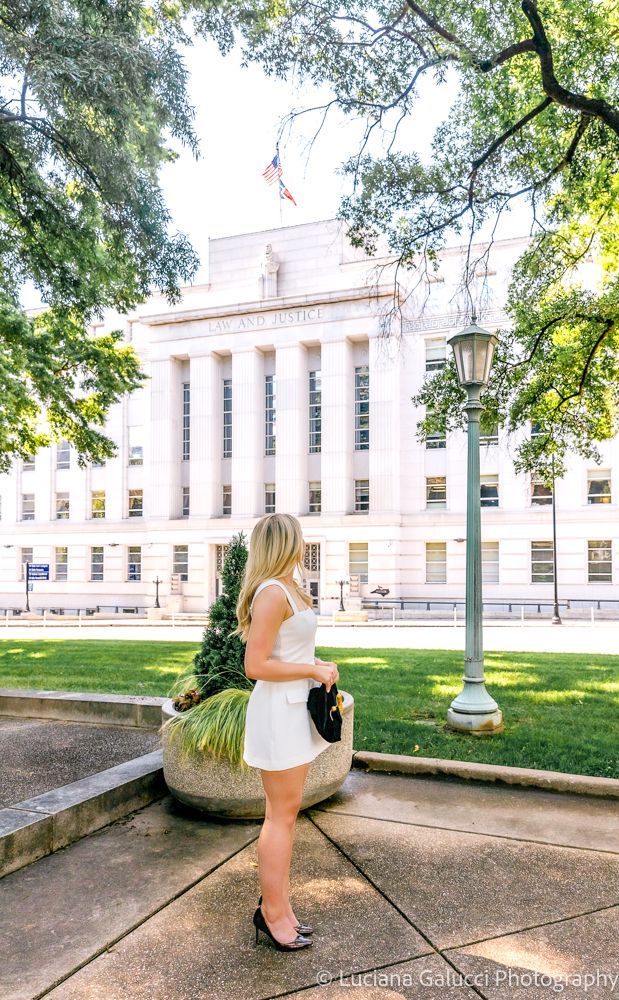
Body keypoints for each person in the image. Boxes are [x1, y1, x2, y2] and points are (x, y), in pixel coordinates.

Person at [233, 513, 339, 951]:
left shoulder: (288, 587)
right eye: (298, 538)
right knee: (280, 816)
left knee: (288, 813)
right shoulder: (273, 593)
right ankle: (272, 913)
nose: (303, 544)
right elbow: (255, 666)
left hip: (296, 708)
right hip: (279, 712)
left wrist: (316, 668)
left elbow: (290, 649)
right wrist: (312, 668)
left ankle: (281, 906)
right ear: (285, 543)